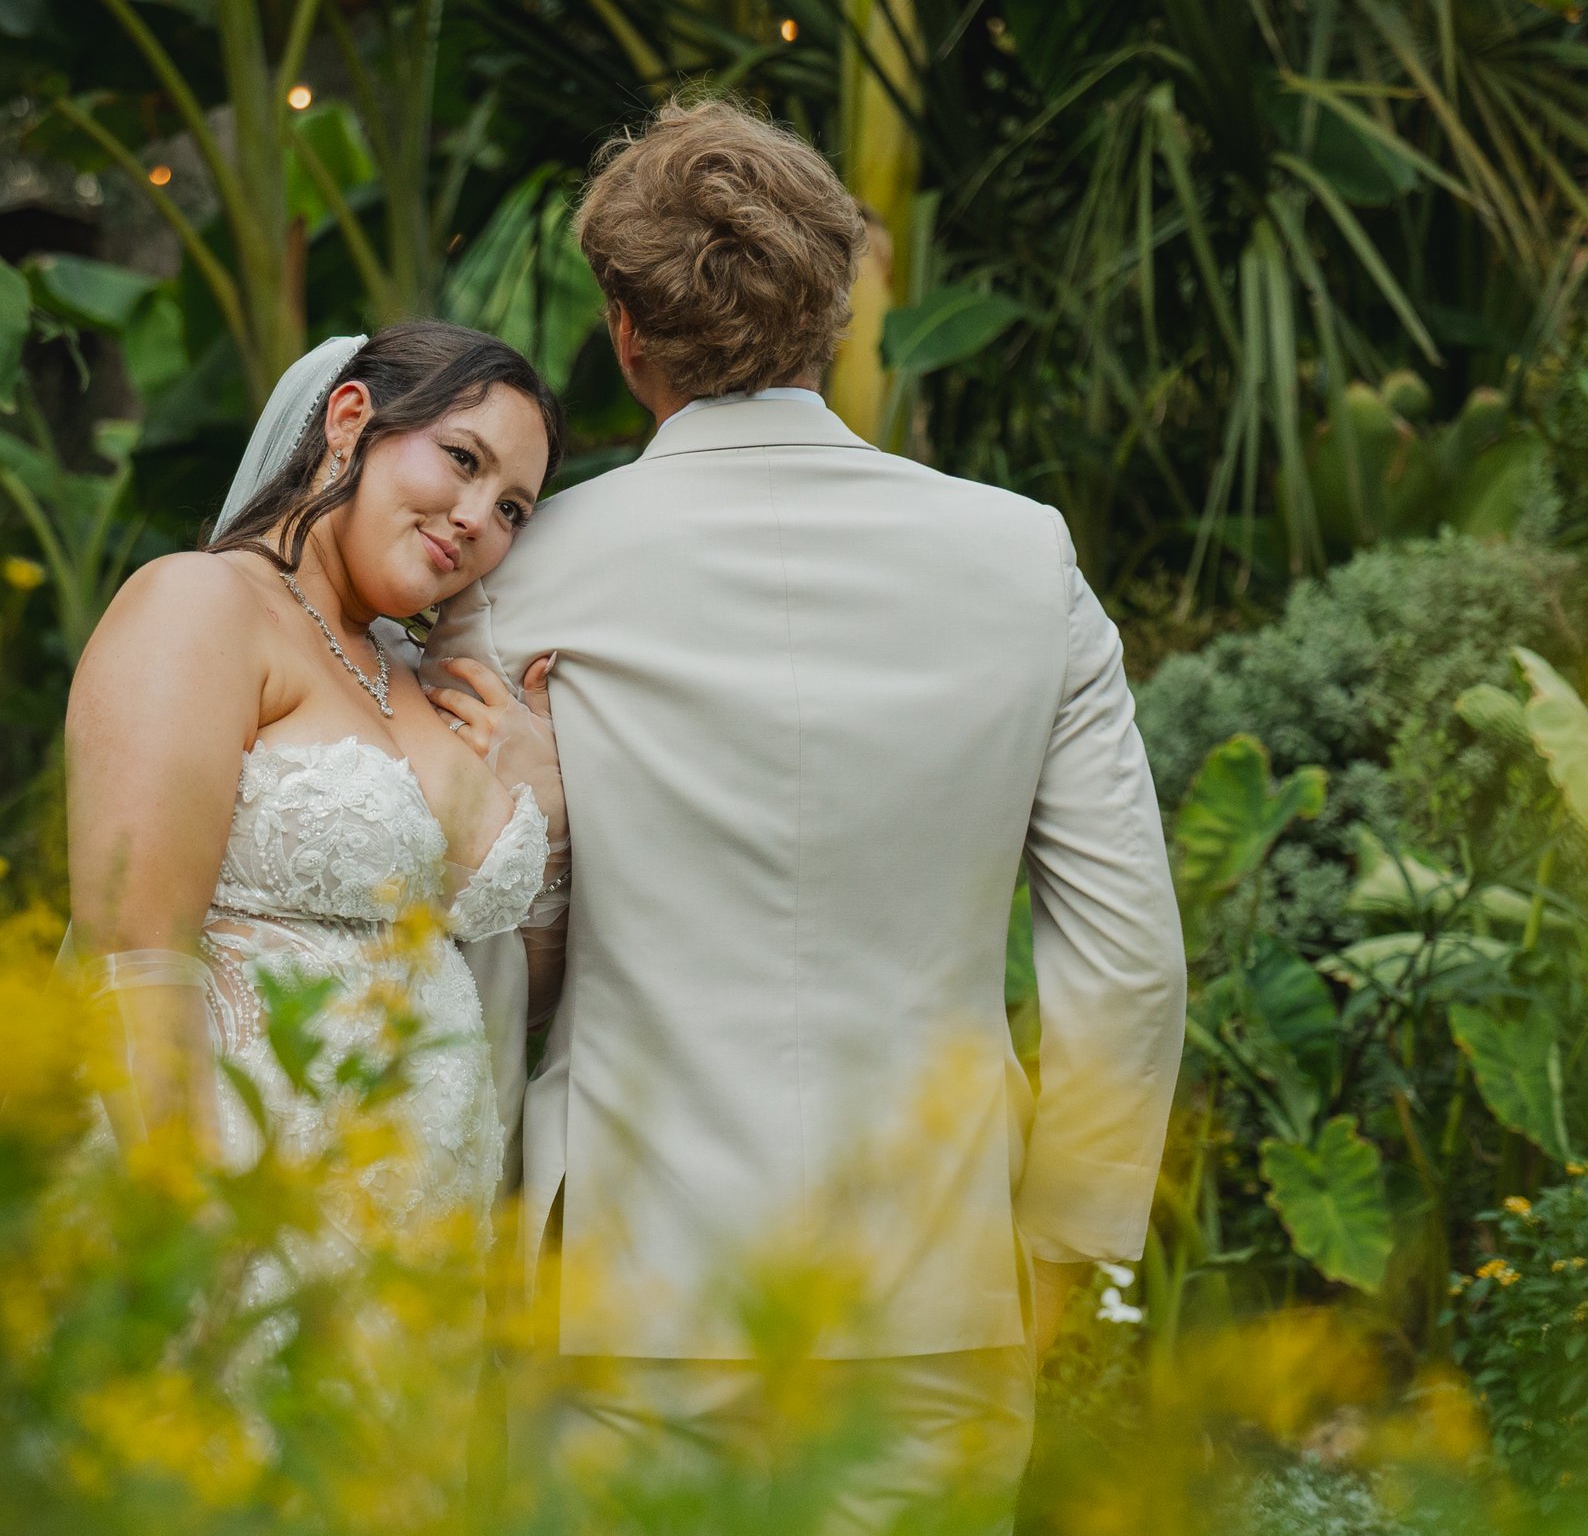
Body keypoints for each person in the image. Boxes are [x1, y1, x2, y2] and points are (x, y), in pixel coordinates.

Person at [423, 99, 1188, 1529]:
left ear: (625, 332)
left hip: (621, 1293)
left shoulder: (522, 577)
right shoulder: (1025, 563)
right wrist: (1061, 1257)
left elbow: (467, 925)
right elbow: (1130, 957)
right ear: (835, 313)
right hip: (936, 1291)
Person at [62, 321, 570, 1245]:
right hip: (245, 1225)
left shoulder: (416, 681)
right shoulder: (201, 605)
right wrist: (187, 1234)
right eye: (462, 459)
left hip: (411, 1265)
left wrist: (545, 794)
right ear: (349, 419)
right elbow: (136, 956)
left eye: (512, 509)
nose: (477, 517)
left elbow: (514, 989)